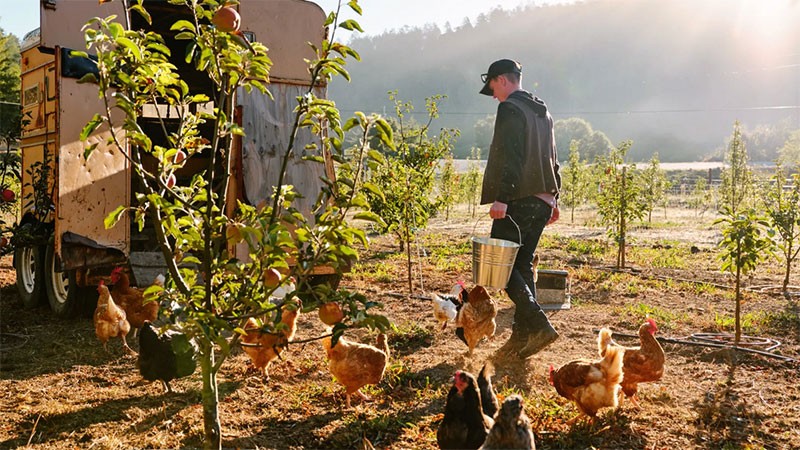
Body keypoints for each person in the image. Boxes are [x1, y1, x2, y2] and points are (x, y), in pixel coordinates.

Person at [479, 59, 561, 359]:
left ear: (502, 80)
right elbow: (553, 157)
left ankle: (538, 324)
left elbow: (509, 156)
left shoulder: (510, 108)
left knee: (503, 268)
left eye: (492, 88)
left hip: (517, 200)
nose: (494, 96)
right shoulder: (543, 111)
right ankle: (521, 336)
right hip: (541, 200)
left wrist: (502, 198)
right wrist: (554, 197)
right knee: (523, 265)